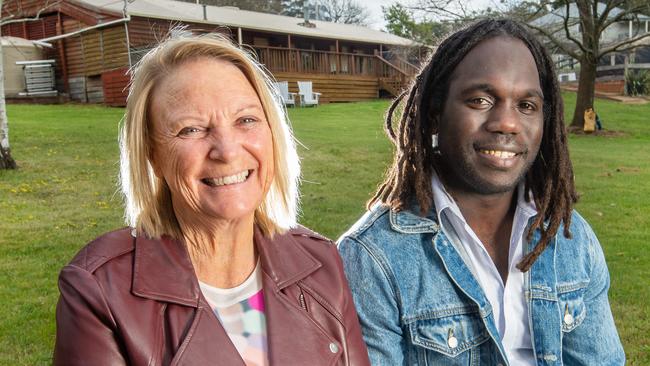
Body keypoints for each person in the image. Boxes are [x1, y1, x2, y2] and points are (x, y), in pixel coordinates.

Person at [53, 33, 370, 366]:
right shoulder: (100, 290)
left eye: (246, 120)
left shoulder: (321, 263)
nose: (227, 151)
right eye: (191, 129)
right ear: (153, 155)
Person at [338, 19, 624, 366]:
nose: (507, 122)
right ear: (433, 116)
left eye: (526, 106)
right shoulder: (372, 257)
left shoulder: (570, 237)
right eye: (480, 100)